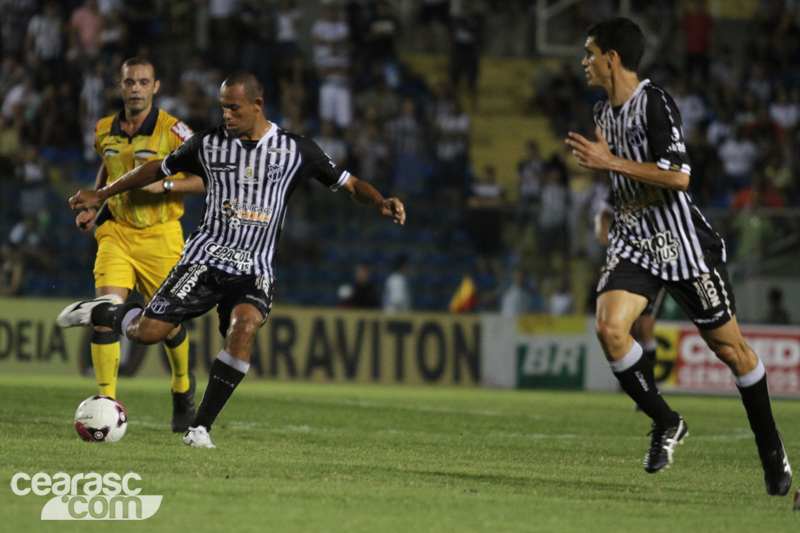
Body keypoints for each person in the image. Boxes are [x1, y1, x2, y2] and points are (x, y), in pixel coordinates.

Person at [58, 71, 406, 449]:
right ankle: (103, 312)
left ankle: (199, 428)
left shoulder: (296, 150)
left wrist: (380, 201)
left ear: (258, 105)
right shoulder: (208, 144)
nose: (226, 115)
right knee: (148, 333)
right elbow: (156, 168)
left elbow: (348, 183)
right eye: (223, 107)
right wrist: (101, 194)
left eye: (234, 108)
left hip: (254, 268)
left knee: (245, 327)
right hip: (204, 261)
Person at [565, 17, 791, 495]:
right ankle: (666, 421)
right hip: (634, 239)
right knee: (609, 329)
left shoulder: (655, 103)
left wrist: (609, 161)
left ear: (612, 57)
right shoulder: (603, 112)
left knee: (730, 351)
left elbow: (679, 176)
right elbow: (620, 176)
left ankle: (772, 450)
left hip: (683, 244)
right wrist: (607, 187)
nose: (584, 62)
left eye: (590, 53)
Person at [74, 56, 205, 433]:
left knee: (168, 324)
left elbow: (208, 179)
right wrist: (95, 203)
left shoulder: (175, 131)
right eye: (130, 82)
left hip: (161, 235)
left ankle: (182, 387)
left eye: (144, 82)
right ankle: (106, 404)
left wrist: (166, 184)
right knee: (105, 312)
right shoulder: (103, 129)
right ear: (120, 85)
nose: (136, 89)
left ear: (156, 87)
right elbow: (108, 167)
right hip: (117, 232)